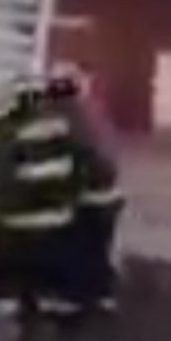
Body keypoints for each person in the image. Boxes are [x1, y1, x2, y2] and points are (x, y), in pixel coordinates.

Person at [0, 75, 84, 323]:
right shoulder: (61, 128)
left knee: (10, 280)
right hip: (54, 221)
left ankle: (10, 300)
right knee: (48, 275)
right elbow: (75, 170)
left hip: (14, 224)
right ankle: (48, 300)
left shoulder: (4, 130)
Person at [46, 69, 124, 314]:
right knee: (97, 248)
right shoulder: (93, 113)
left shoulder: (65, 121)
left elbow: (69, 162)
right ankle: (101, 294)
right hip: (109, 195)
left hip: (88, 196)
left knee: (75, 246)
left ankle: (73, 297)